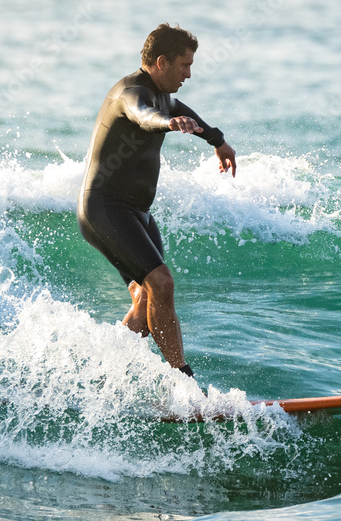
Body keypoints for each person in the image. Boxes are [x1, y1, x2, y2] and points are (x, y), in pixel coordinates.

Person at [77, 24, 236, 378]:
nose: (189, 74)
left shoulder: (164, 96)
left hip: (137, 213)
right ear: (161, 62)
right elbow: (142, 116)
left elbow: (183, 109)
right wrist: (167, 122)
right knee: (162, 283)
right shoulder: (131, 93)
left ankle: (103, 376)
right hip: (105, 208)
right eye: (184, 65)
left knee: (148, 301)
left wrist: (217, 140)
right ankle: (184, 384)